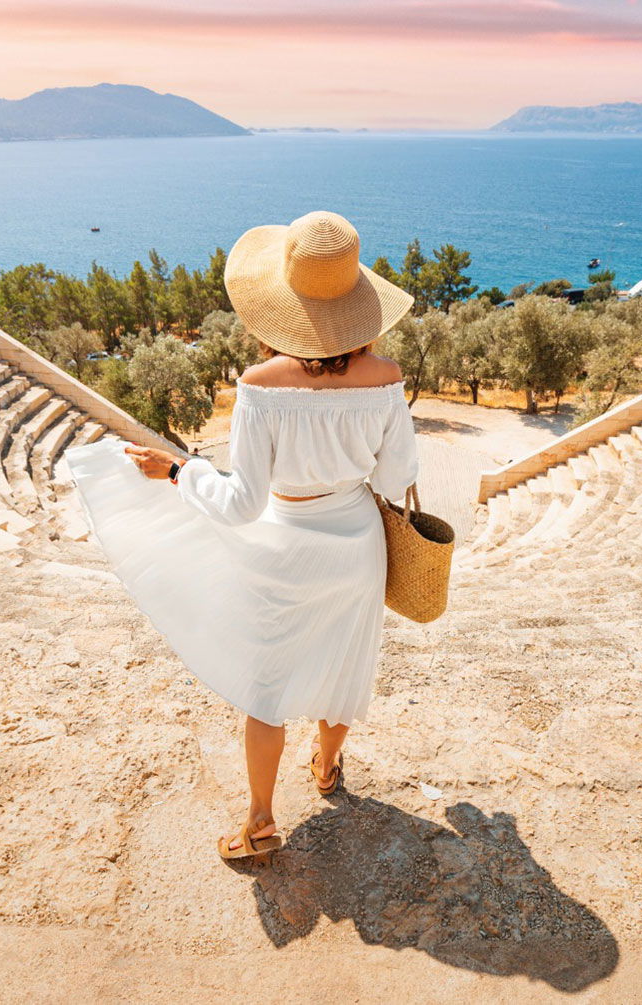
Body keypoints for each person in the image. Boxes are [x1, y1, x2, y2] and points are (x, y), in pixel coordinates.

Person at [63, 211, 420, 861]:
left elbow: (240, 502)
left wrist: (177, 468)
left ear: (282, 305)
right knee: (344, 664)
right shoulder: (387, 378)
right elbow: (397, 476)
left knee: (268, 686)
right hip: (357, 545)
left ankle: (259, 821)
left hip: (285, 548)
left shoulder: (260, 387)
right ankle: (327, 768)